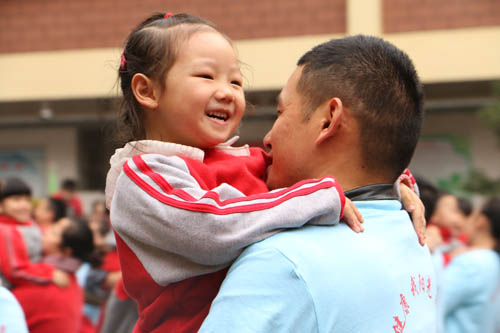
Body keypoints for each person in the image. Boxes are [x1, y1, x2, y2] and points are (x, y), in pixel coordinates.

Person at [104, 12, 433, 333]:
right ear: (147, 91)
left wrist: (395, 183)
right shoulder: (141, 176)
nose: (227, 92)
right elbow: (208, 227)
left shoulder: (241, 159)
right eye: (206, 77)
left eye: (235, 81)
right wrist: (318, 196)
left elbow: (358, 161)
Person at [199, 35, 436, 332]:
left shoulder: (282, 263)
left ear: (328, 120)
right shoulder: (411, 230)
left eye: (280, 112)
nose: (267, 140)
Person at [13, 217, 95, 333]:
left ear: (67, 251)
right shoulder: (71, 281)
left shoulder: (45, 285)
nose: (46, 230)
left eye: (54, 232)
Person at [438, 197, 500, 333]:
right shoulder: (494, 261)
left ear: (482, 221)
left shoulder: (470, 263)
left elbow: (434, 305)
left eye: (472, 216)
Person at [0, 177, 68, 289]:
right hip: (12, 292)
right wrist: (50, 274)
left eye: (27, 200)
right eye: (16, 199)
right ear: (1, 206)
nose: (24, 205)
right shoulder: (6, 230)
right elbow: (15, 271)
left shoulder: (28, 223)